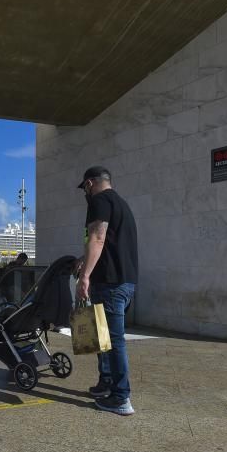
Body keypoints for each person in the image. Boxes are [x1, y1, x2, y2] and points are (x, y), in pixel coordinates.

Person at [75, 165, 138, 416]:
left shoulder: (99, 201)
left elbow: (98, 238)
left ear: (90, 184)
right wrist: (84, 258)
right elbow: (108, 243)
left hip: (110, 283)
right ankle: (107, 383)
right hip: (125, 281)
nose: (85, 193)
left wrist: (84, 276)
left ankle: (121, 397)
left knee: (113, 340)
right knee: (102, 336)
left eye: (85, 189)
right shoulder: (121, 203)